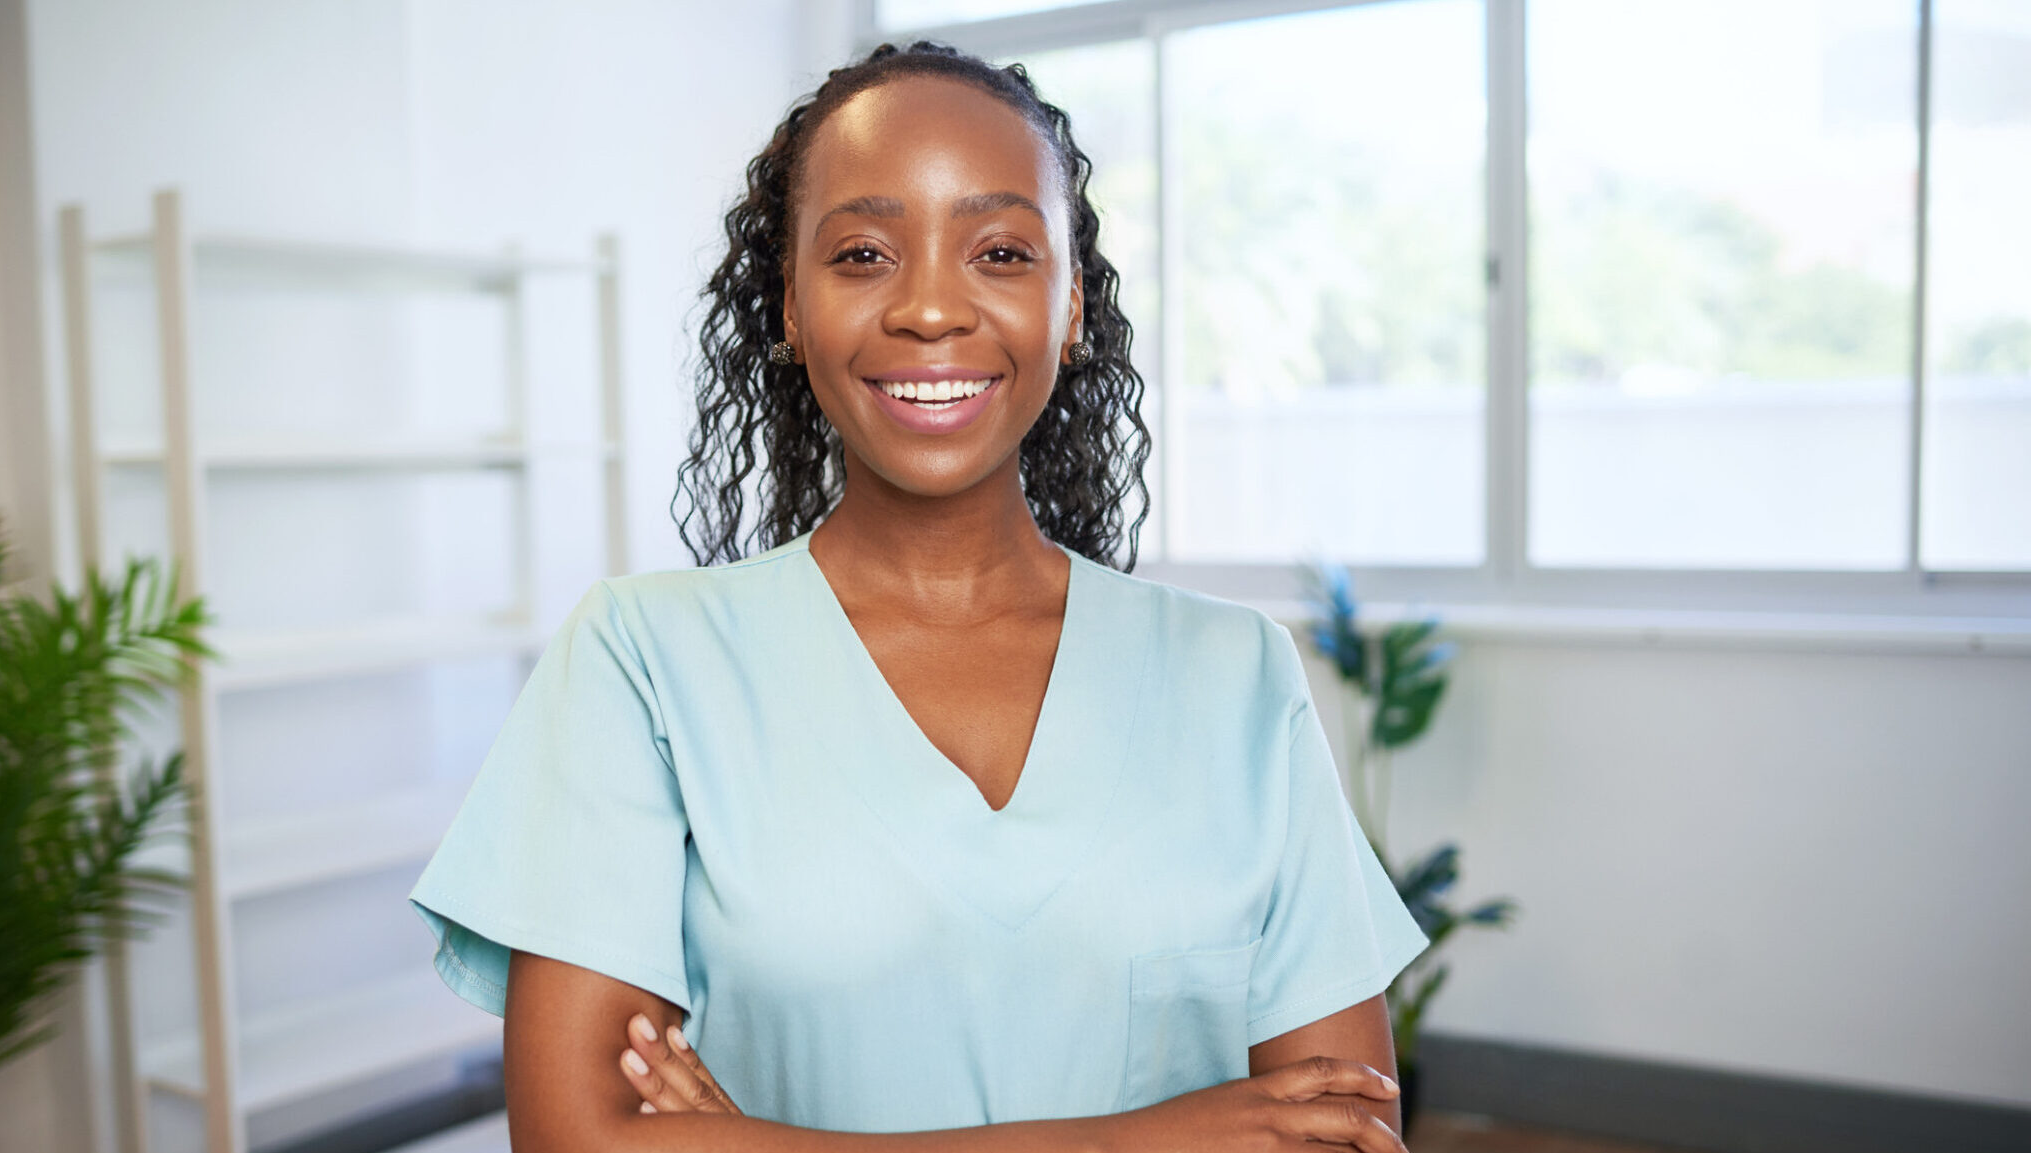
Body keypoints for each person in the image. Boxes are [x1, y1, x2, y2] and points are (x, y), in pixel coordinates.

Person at [407, 41, 1428, 1153]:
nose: (931, 309)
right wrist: (1137, 1137)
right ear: (790, 307)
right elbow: (575, 1141)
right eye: (860, 253)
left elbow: (1338, 1133)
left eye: (997, 250)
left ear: (1069, 304)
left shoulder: (1236, 679)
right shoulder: (642, 663)